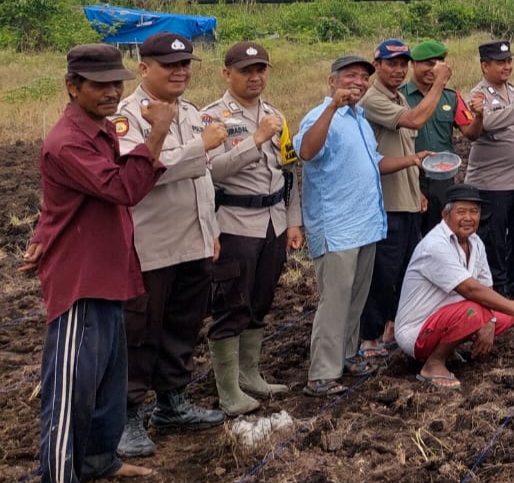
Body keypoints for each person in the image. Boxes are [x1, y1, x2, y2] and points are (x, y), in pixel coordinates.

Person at [23, 44, 167, 481]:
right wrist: (157, 134)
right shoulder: (67, 142)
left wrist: (42, 232)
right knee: (70, 389)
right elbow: (123, 188)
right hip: (80, 279)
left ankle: (100, 460)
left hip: (108, 271)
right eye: (100, 84)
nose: (111, 92)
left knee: (107, 379)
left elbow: (61, 205)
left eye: (115, 83)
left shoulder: (98, 130)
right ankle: (60, 473)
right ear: (72, 86)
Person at [114, 32, 227, 458]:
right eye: (169, 65)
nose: (180, 72)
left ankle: (172, 402)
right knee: (140, 330)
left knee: (183, 324)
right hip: (151, 243)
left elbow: (205, 180)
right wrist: (201, 146)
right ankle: (127, 415)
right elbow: (143, 172)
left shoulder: (191, 112)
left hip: (192, 239)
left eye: (185, 64)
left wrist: (211, 228)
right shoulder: (129, 117)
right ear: (144, 68)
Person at [296, 55, 431, 398]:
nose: (357, 82)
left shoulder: (359, 119)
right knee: (335, 300)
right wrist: (331, 109)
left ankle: (346, 355)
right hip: (336, 226)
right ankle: (321, 374)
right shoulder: (320, 116)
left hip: (366, 223)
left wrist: (411, 161)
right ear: (332, 82)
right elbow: (308, 152)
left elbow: (376, 163)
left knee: (356, 298)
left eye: (362, 77)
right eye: (349, 76)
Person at [200, 42, 304, 416]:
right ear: (227, 74)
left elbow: (288, 171)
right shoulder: (212, 118)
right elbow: (209, 171)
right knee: (231, 304)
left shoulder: (275, 115)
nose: (255, 77)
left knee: (260, 301)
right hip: (235, 224)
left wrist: (293, 220)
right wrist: (255, 139)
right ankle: (228, 390)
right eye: (246, 70)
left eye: (260, 69)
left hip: (272, 222)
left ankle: (250, 375)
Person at [394, 185, 514, 390]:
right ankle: (433, 363)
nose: (468, 218)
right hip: (418, 331)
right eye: (461, 212)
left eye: (474, 212)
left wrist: (490, 320)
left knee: (505, 314)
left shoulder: (475, 242)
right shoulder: (435, 245)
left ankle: (451, 345)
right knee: (480, 312)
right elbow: (470, 290)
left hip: (449, 315)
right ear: (446, 214)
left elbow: (486, 287)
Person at [357, 38, 449, 360]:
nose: (398, 70)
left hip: (407, 199)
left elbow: (405, 151)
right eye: (391, 63)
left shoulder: (396, 99)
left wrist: (418, 191)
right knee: (382, 273)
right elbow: (415, 121)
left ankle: (391, 330)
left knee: (406, 272)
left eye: (402, 64)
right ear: (376, 65)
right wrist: (439, 82)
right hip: (387, 204)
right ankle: (368, 339)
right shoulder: (372, 100)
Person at [464, 40, 514, 307]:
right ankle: (496, 291)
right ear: (484, 65)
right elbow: (486, 123)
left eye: (509, 61)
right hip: (491, 182)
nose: (507, 66)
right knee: (494, 240)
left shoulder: (512, 91)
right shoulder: (477, 96)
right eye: (500, 62)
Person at [402, 40, 475, 235]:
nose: (432, 69)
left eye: (437, 63)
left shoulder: (451, 97)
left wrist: (481, 116)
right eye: (427, 63)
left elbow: (471, 132)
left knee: (442, 235)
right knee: (411, 237)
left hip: (443, 177)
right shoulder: (399, 97)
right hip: (410, 176)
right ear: (413, 64)